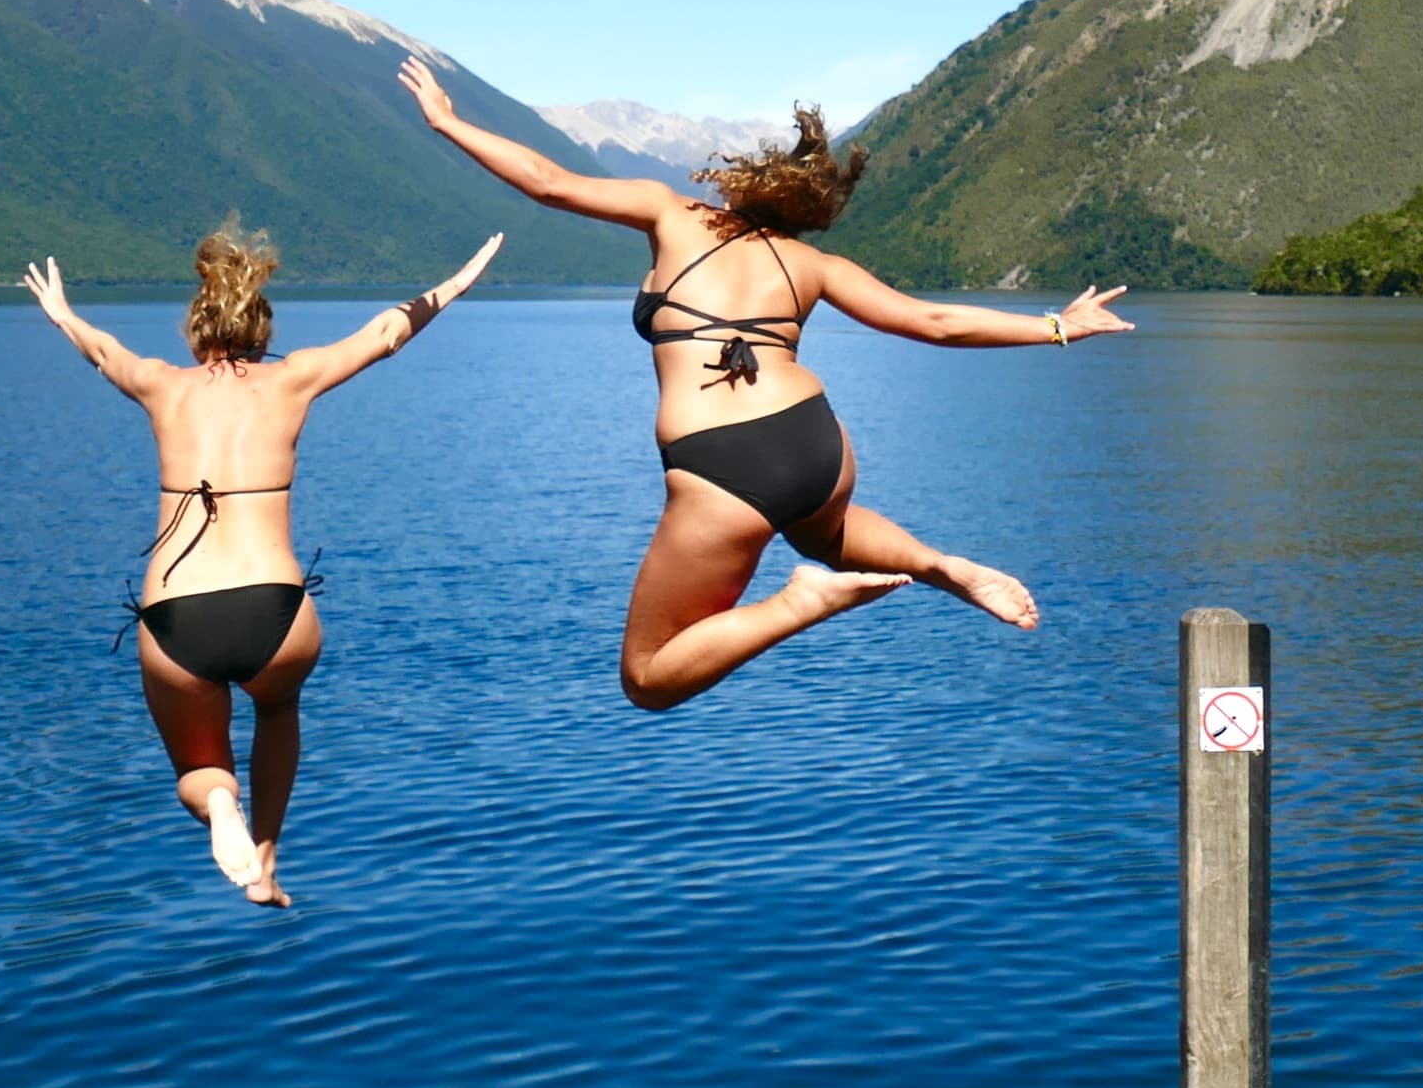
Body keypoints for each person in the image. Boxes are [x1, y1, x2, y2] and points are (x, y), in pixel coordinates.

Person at [397, 54, 1130, 708]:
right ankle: (939, 564)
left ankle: (800, 604)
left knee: (647, 678)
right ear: (809, 214)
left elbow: (548, 184)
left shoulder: (670, 212)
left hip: (724, 460)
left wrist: (447, 122)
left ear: (743, 184)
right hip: (816, 443)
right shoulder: (813, 267)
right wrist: (1058, 326)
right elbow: (932, 323)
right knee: (828, 532)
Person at [23, 221, 502, 904]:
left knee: (201, 765)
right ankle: (268, 859)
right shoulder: (293, 380)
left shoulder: (161, 386)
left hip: (176, 615)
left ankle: (222, 808)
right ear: (262, 328)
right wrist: (455, 284)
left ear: (196, 328)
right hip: (275, 610)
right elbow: (386, 334)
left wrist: (62, 313)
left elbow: (101, 351)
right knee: (277, 714)